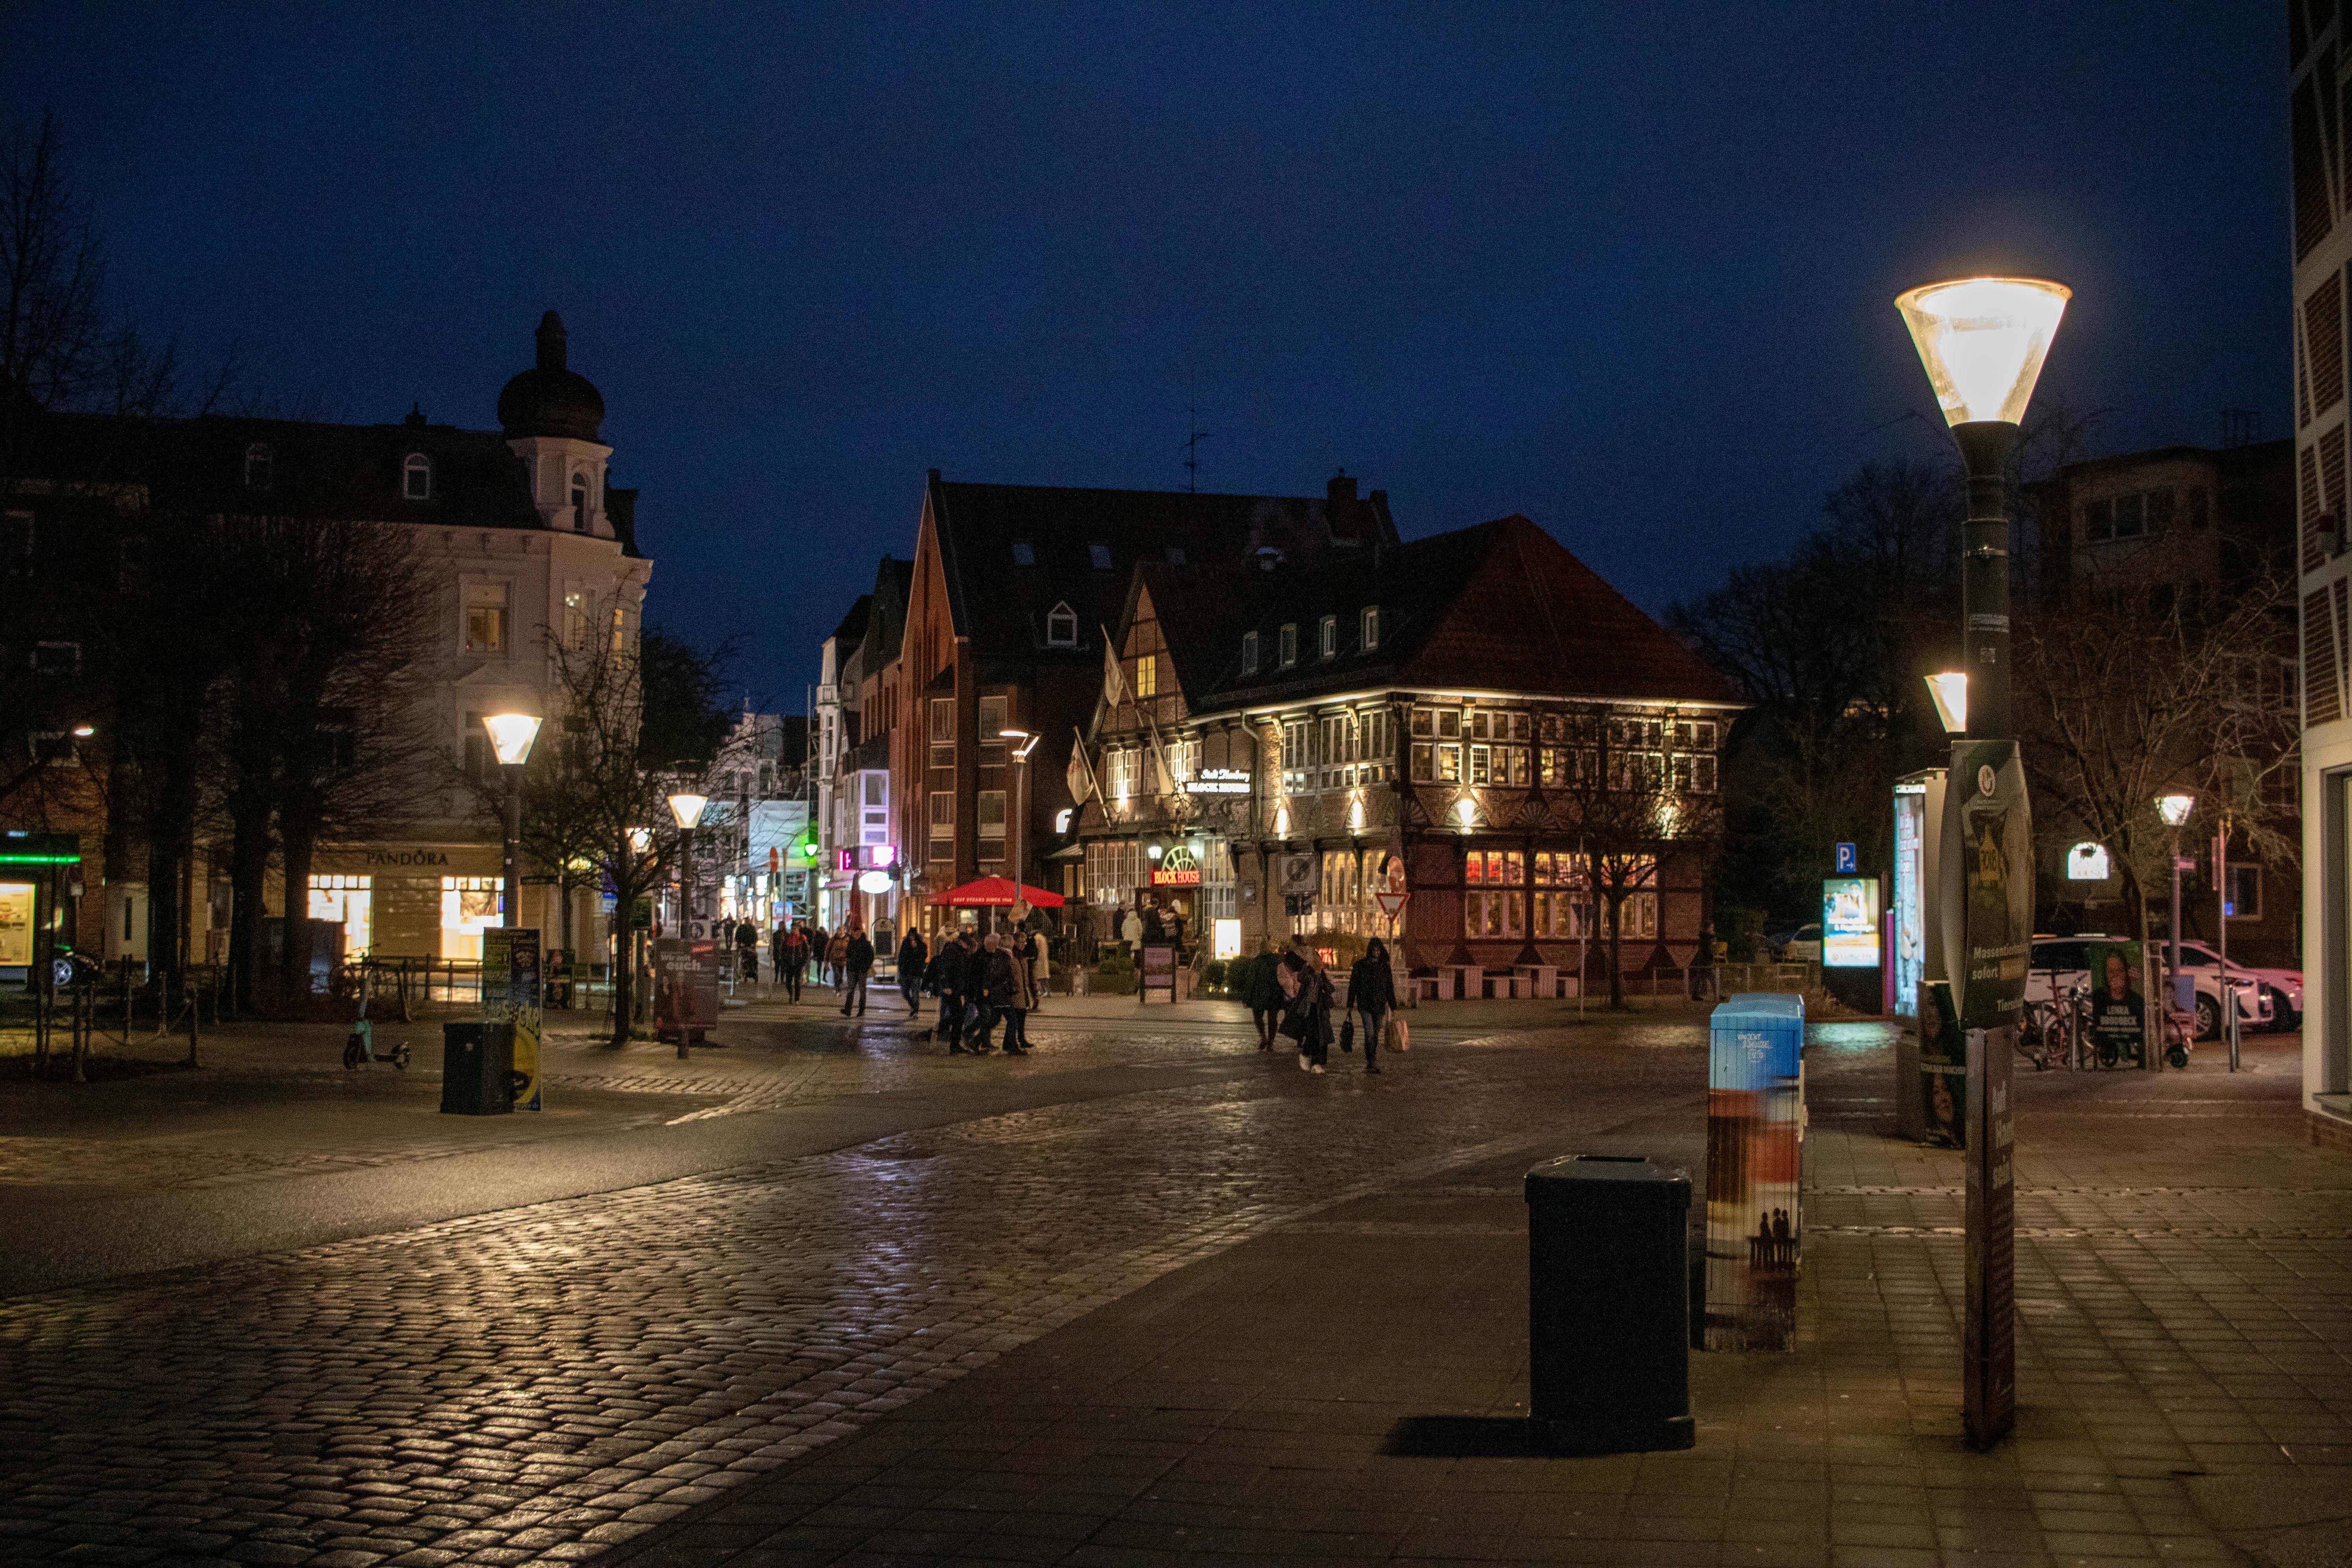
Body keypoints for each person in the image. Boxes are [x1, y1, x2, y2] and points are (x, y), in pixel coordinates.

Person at [1278, 945, 1335, 1073]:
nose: (1319, 962)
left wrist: (1321, 977)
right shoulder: (1307, 970)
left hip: (1321, 1009)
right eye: (1317, 960)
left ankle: (1316, 1062)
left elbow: (1330, 988)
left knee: (1320, 1036)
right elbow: (1301, 978)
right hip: (1308, 1008)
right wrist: (1312, 972)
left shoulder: (1322, 974)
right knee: (1313, 1034)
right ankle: (1309, 1057)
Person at [1348, 937, 1399, 1075]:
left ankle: (1372, 1058)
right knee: (1370, 1032)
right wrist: (1350, 1005)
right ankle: (1371, 1062)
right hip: (1365, 1005)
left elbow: (1390, 987)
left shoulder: (1384, 967)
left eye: (1378, 950)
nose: (1376, 953)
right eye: (1374, 950)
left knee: (1375, 1034)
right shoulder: (1360, 966)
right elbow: (1353, 986)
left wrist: (1393, 1007)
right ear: (1370, 950)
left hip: (1379, 1006)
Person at [967, 931, 1021, 1054]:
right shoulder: (1003, 957)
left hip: (998, 994)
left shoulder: (998, 956)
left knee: (994, 1020)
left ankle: (976, 1041)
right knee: (1012, 1019)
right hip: (1001, 995)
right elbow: (996, 976)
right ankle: (1011, 1046)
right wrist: (1007, 984)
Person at [1245, 946, 1286, 1051]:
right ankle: (1270, 1042)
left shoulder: (1257, 961)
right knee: (1272, 1019)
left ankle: (1264, 1038)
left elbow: (1251, 980)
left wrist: (1246, 998)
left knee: (1258, 1017)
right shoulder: (1278, 961)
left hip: (1259, 994)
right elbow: (1283, 978)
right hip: (1274, 994)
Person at [839, 920, 874, 1017]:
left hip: (861, 971)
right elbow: (848, 954)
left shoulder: (866, 944)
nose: (857, 935)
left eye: (859, 933)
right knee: (850, 990)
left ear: (861, 933)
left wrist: (865, 968)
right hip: (852, 970)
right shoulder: (851, 942)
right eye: (855, 933)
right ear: (853, 933)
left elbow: (871, 956)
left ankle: (862, 1010)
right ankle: (848, 1010)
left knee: (862, 991)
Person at [897, 927, 929, 1015]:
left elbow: (924, 957)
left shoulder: (922, 945)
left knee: (915, 993)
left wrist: (916, 949)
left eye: (914, 936)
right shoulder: (905, 944)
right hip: (906, 972)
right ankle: (913, 1007)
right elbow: (901, 958)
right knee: (905, 993)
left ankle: (916, 1011)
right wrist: (900, 972)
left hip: (916, 973)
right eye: (911, 935)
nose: (912, 937)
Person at [780, 923, 808, 1002]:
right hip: (789, 964)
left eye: (796, 929)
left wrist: (803, 962)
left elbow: (806, 951)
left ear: (798, 929)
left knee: (798, 982)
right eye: (793, 929)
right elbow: (783, 950)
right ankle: (791, 994)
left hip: (798, 964)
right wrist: (784, 961)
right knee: (788, 982)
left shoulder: (802, 938)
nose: (794, 930)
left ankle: (797, 999)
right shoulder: (787, 938)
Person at [1691, 922, 1718, 1002]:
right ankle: (1717, 994)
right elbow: (1707, 950)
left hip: (1703, 960)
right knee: (1711, 977)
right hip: (1706, 960)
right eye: (1712, 928)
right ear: (1708, 929)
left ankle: (1695, 995)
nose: (1713, 930)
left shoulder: (1705, 937)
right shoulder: (1706, 938)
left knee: (1700, 977)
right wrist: (1712, 956)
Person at [734, 918, 760, 989]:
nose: (747, 922)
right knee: (743, 959)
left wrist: (753, 943)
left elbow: (756, 937)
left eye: (748, 921)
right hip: (743, 947)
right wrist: (741, 943)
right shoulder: (741, 928)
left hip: (751, 947)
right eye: (746, 921)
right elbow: (737, 937)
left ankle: (752, 971)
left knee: (753, 958)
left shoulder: (752, 928)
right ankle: (742, 972)